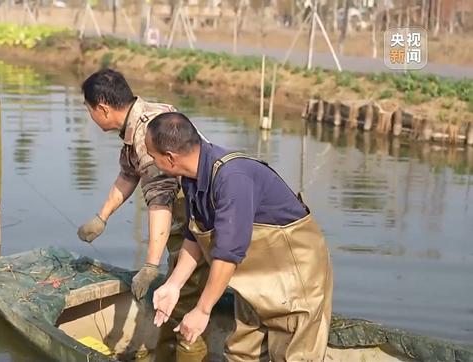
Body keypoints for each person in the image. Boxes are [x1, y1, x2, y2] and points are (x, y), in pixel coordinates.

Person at [147, 112, 333, 362]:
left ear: (170, 158)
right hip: (253, 279)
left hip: (293, 277)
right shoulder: (192, 179)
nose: (152, 162)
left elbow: (227, 254)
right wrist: (174, 285)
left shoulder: (232, 178)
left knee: (293, 355)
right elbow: (195, 234)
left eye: (153, 156)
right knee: (241, 353)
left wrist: (202, 310)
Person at [76, 69, 210, 360]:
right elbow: (129, 174)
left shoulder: (146, 134)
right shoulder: (140, 120)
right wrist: (102, 217)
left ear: (103, 108)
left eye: (88, 110)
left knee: (185, 289)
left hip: (197, 214)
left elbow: (160, 200)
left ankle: (189, 350)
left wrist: (150, 265)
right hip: (195, 214)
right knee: (185, 280)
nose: (90, 116)